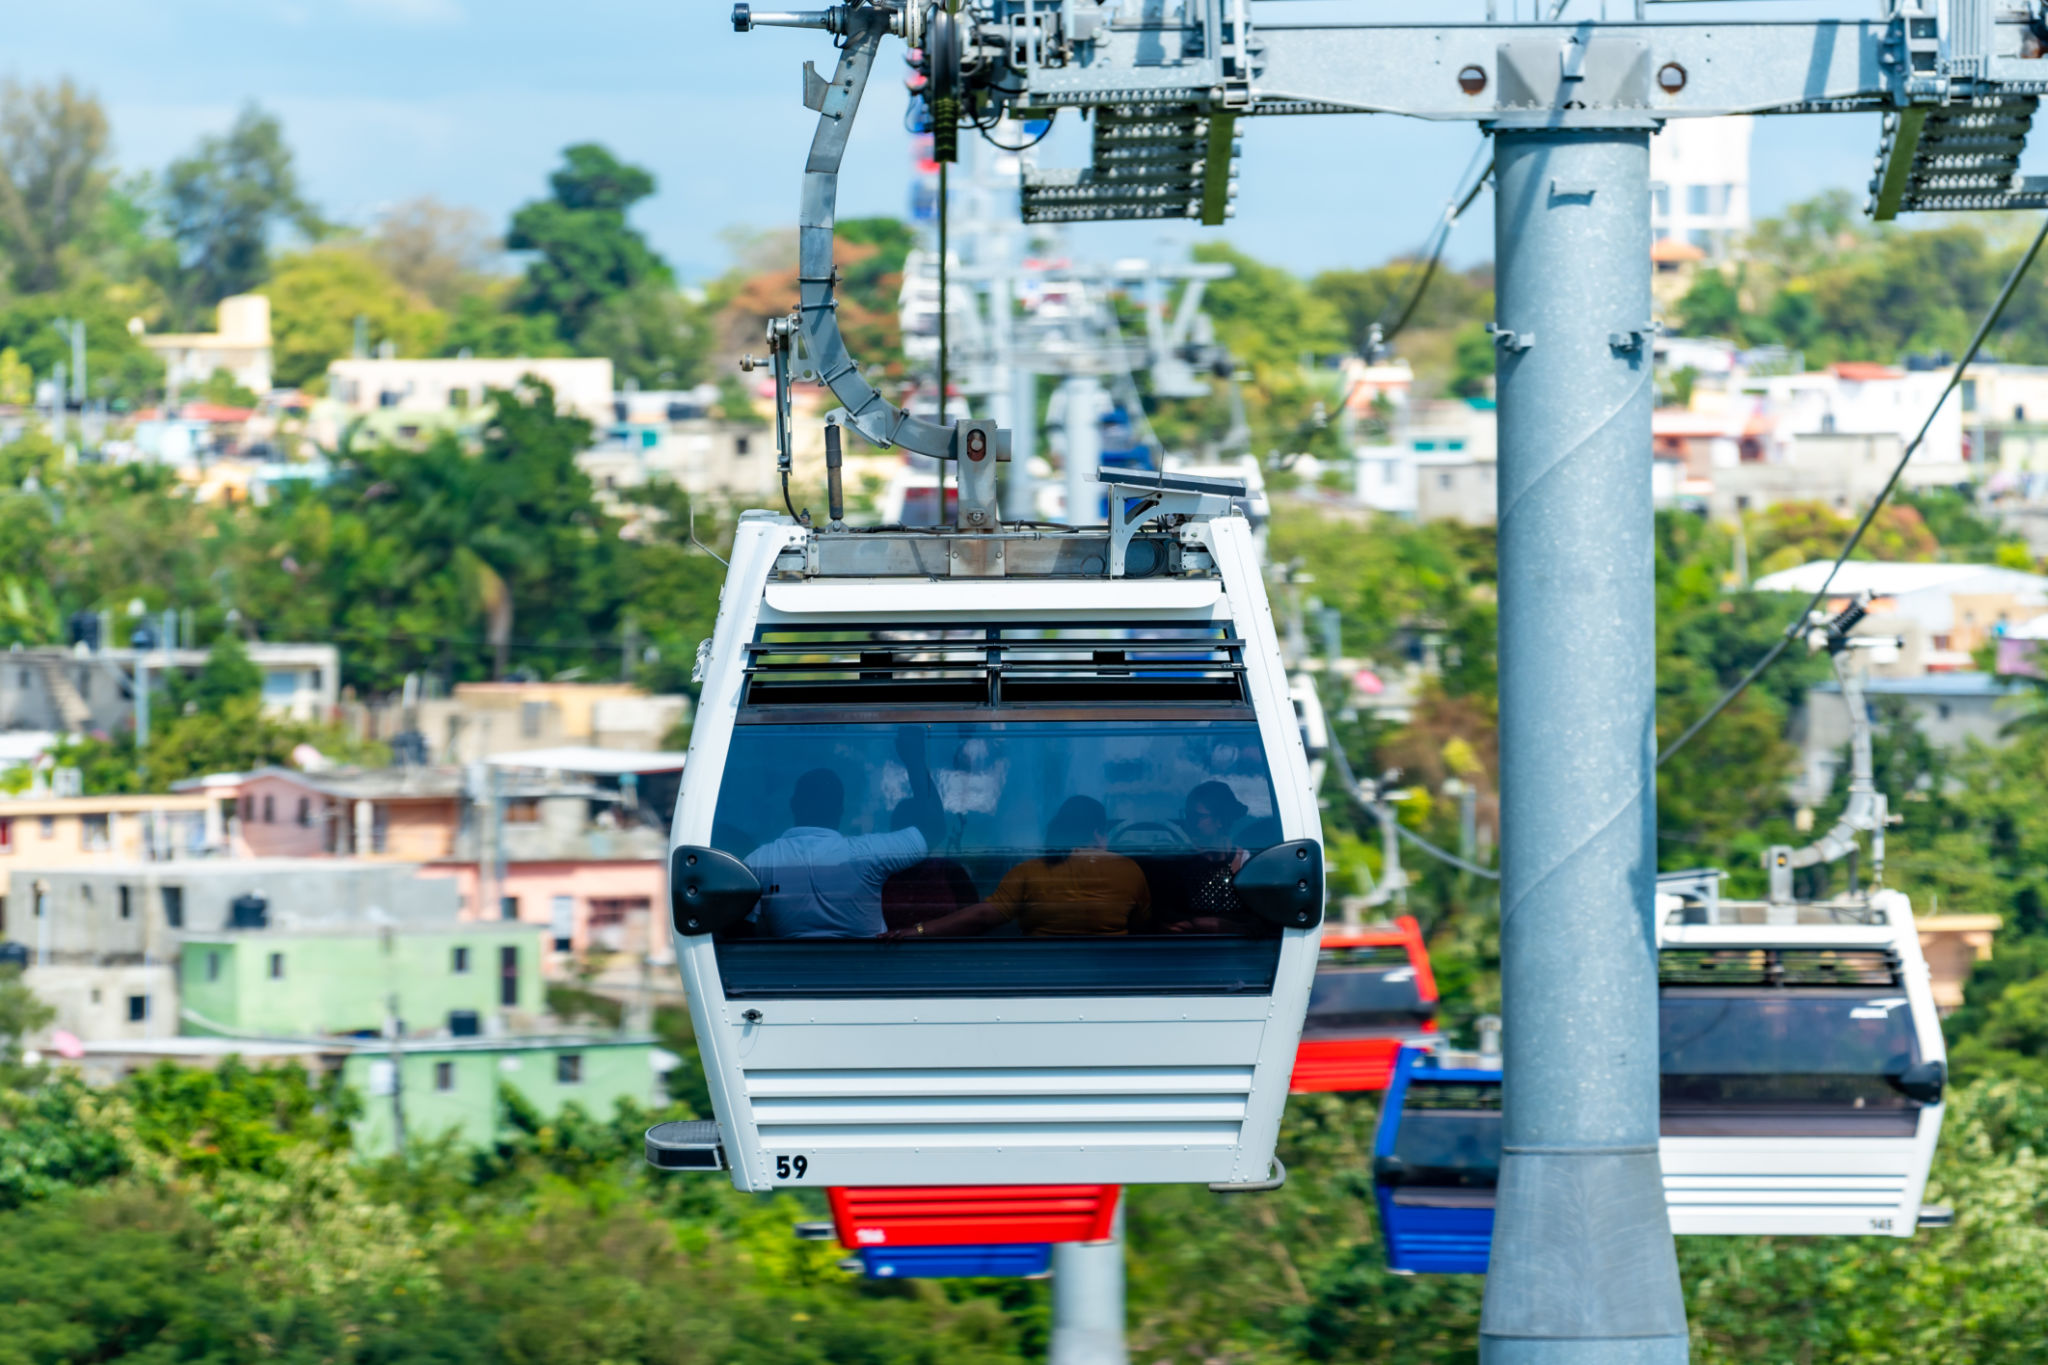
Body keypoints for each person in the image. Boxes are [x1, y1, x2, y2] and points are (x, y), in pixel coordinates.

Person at [745, 731, 946, 938]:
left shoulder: (758, 863)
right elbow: (935, 829)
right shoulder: (866, 854)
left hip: (786, 970)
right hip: (865, 969)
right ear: (840, 811)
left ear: (793, 805)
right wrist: (914, 759)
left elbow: (739, 936)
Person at [893, 796, 1149, 938]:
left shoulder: (1030, 872)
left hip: (1041, 974)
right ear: (1097, 833)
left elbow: (982, 917)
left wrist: (918, 930)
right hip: (1110, 975)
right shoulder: (1128, 870)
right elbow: (1144, 924)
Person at [1155, 781, 1266, 935]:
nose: (1189, 823)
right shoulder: (1180, 863)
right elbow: (1164, 917)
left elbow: (1259, 924)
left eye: (1196, 817)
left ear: (1221, 820)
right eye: (1187, 815)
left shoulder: (1246, 864)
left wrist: (1202, 924)